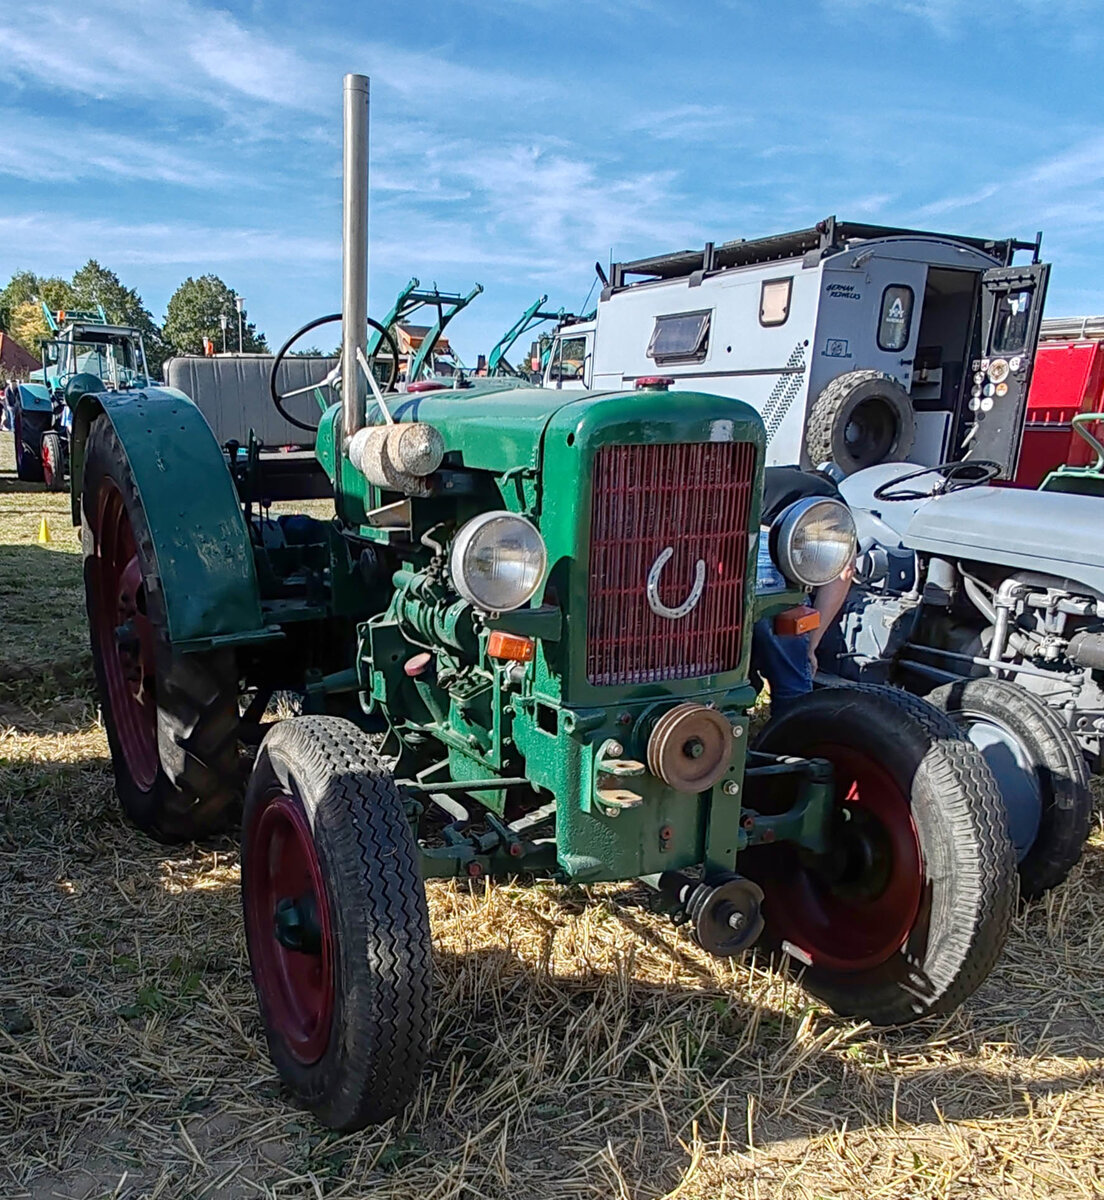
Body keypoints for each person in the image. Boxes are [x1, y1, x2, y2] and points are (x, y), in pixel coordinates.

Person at [750, 465, 856, 716]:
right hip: (768, 554)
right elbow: (844, 572)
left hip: (724, 549)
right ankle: (791, 745)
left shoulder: (771, 474)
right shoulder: (830, 499)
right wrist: (811, 646)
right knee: (793, 678)